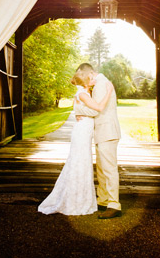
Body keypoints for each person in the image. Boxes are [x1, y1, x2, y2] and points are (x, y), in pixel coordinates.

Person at [38, 69, 113, 215]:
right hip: (81, 134)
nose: (94, 80)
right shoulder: (83, 94)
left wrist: (80, 111)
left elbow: (84, 108)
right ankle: (75, 200)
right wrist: (109, 91)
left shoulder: (83, 93)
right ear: (85, 81)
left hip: (84, 132)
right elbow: (98, 108)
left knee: (81, 163)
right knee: (80, 163)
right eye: (91, 79)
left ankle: (79, 198)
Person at [73, 62, 122, 218]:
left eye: (86, 80)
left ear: (90, 74)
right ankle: (103, 200)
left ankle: (114, 205)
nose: (87, 84)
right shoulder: (99, 83)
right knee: (101, 169)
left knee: (109, 170)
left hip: (107, 132)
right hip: (101, 132)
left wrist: (78, 110)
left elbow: (96, 109)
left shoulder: (102, 84)